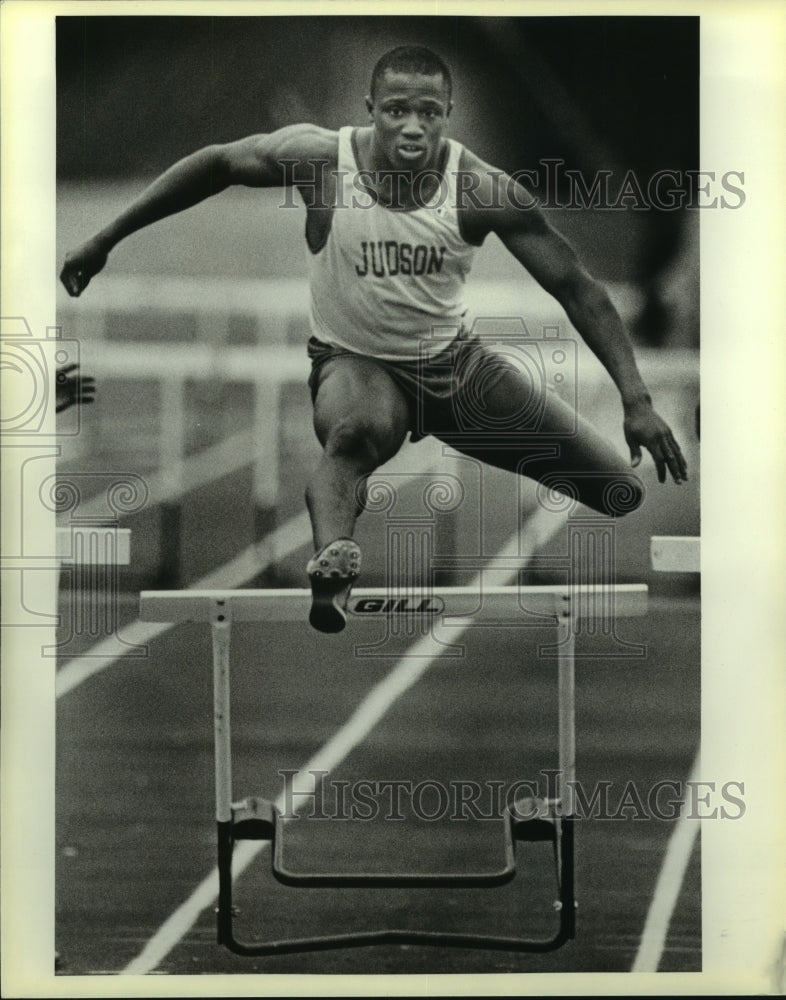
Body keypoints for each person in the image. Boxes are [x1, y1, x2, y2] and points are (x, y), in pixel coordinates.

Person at [60, 45, 688, 633]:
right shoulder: (318, 160)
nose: (411, 128)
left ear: (448, 116)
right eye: (396, 111)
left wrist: (636, 400)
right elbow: (218, 163)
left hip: (455, 369)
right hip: (357, 365)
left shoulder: (480, 189)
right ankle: (333, 556)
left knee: (618, 491)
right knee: (352, 437)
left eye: (428, 114)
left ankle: (430, 454)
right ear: (369, 110)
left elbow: (580, 289)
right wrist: (105, 239)